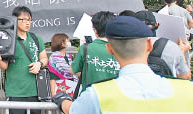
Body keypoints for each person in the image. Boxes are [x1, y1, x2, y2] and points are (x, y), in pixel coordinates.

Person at [53, 16, 193, 114]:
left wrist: (63, 100)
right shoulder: (187, 89)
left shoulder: (97, 95)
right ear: (149, 45)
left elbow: (73, 110)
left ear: (110, 49)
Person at [0, 6, 48, 114]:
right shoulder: (8, 40)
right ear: (15, 20)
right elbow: (5, 66)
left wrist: (39, 64)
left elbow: (44, 58)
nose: (27, 23)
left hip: (35, 92)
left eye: (29, 20)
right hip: (15, 93)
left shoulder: (36, 38)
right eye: (24, 20)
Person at [134, 10, 191, 79]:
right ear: (157, 25)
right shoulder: (171, 47)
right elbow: (185, 78)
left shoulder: (124, 45)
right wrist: (181, 52)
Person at [71, 11, 119, 93]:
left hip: (89, 97)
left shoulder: (85, 48)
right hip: (115, 97)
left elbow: (72, 70)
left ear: (95, 31)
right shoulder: (122, 49)